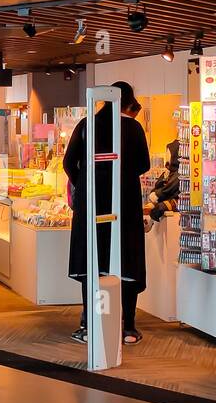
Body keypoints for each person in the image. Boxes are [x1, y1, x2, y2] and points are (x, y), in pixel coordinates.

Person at [63, 80, 151, 346]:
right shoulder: (133, 128)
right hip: (124, 204)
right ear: (127, 102)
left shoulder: (86, 125)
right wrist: (120, 178)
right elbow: (143, 165)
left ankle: (88, 324)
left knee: (93, 259)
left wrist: (86, 185)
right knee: (126, 258)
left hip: (91, 206)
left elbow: (69, 162)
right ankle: (128, 326)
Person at [145, 139, 181, 228]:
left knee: (159, 208)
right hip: (166, 200)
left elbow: (168, 189)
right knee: (152, 207)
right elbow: (159, 186)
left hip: (176, 202)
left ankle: (151, 220)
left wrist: (157, 194)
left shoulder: (179, 174)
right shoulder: (169, 173)